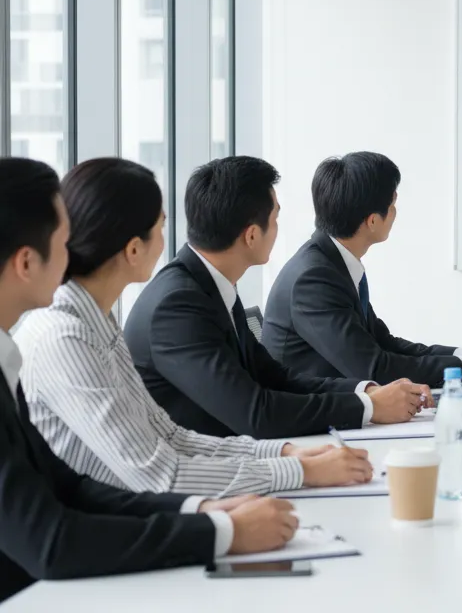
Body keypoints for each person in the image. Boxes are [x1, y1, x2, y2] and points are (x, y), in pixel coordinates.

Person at [0, 157, 298, 603]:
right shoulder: (60, 334)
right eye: (64, 240)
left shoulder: (65, 333)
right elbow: (52, 539)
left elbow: (70, 488)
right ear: (26, 261)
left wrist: (204, 512)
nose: (73, 252)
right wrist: (222, 529)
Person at [16, 158, 373, 498]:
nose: (168, 239)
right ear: (134, 249)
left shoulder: (98, 320)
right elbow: (159, 473)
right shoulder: (66, 335)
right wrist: (298, 470)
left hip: (138, 509)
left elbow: (170, 436)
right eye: (161, 225)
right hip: (104, 526)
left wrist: (284, 455)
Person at [124, 156, 426, 439]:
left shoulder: (206, 285)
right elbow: (255, 413)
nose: (279, 229)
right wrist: (368, 408)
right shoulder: (177, 306)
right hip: (198, 477)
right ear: (252, 235)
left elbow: (275, 377)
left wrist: (366, 393)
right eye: (276, 218)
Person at [263, 152, 462, 387]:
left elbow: (384, 344)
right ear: (372, 221)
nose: (395, 212)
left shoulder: (334, 264)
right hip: (318, 420)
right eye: (393, 204)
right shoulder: (314, 278)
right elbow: (373, 368)